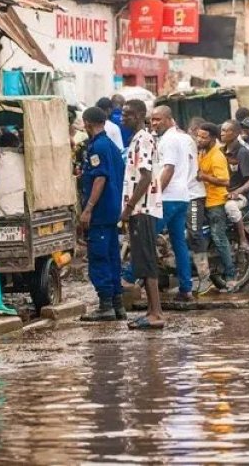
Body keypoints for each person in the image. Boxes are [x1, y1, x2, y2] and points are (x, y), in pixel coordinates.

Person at [120, 99, 164, 330]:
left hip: (143, 209)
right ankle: (151, 311)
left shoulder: (143, 140)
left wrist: (128, 208)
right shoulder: (137, 140)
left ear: (138, 116)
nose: (122, 118)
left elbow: (145, 176)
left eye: (127, 115)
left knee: (147, 261)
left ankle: (156, 313)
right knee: (143, 260)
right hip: (140, 208)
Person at [78, 107, 125, 322]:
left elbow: (100, 179)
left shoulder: (97, 147)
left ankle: (106, 305)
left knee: (99, 257)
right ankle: (117, 305)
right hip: (112, 210)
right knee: (113, 256)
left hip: (100, 212)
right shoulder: (113, 147)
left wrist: (88, 209)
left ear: (87, 123)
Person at [151, 106, 193, 302]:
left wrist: (156, 195)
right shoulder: (183, 138)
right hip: (181, 195)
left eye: (158, 119)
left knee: (146, 239)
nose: (154, 123)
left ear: (169, 119)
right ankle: (186, 288)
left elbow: (168, 169)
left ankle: (127, 278)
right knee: (179, 244)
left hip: (168, 197)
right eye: (152, 120)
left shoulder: (168, 140)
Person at [196, 122, 237, 291]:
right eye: (198, 136)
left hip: (216, 203)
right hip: (203, 201)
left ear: (212, 138)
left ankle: (231, 276)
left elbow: (225, 181)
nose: (199, 139)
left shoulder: (216, 156)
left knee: (218, 237)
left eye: (203, 137)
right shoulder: (202, 153)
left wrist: (204, 177)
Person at [221, 120, 249, 252]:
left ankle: (243, 240)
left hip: (242, 196)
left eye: (227, 130)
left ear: (237, 133)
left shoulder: (242, 152)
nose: (222, 133)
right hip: (224, 193)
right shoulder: (221, 151)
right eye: (221, 130)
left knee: (231, 207)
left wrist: (238, 192)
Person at [186, 117, 213, 295]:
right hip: (180, 196)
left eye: (193, 132)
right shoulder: (191, 146)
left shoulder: (197, 147)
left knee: (195, 233)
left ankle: (205, 277)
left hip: (195, 196)